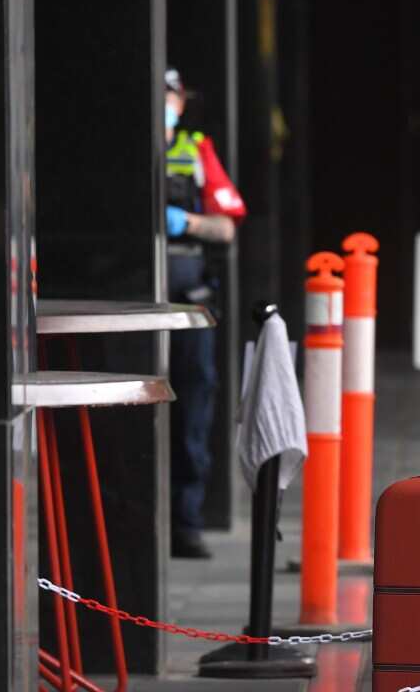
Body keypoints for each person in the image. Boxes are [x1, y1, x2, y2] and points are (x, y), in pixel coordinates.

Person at [164, 66, 243, 558]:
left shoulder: (193, 147)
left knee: (193, 405)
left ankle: (186, 520)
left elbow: (226, 228)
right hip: (126, 288)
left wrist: (186, 221)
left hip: (187, 295)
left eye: (170, 94)